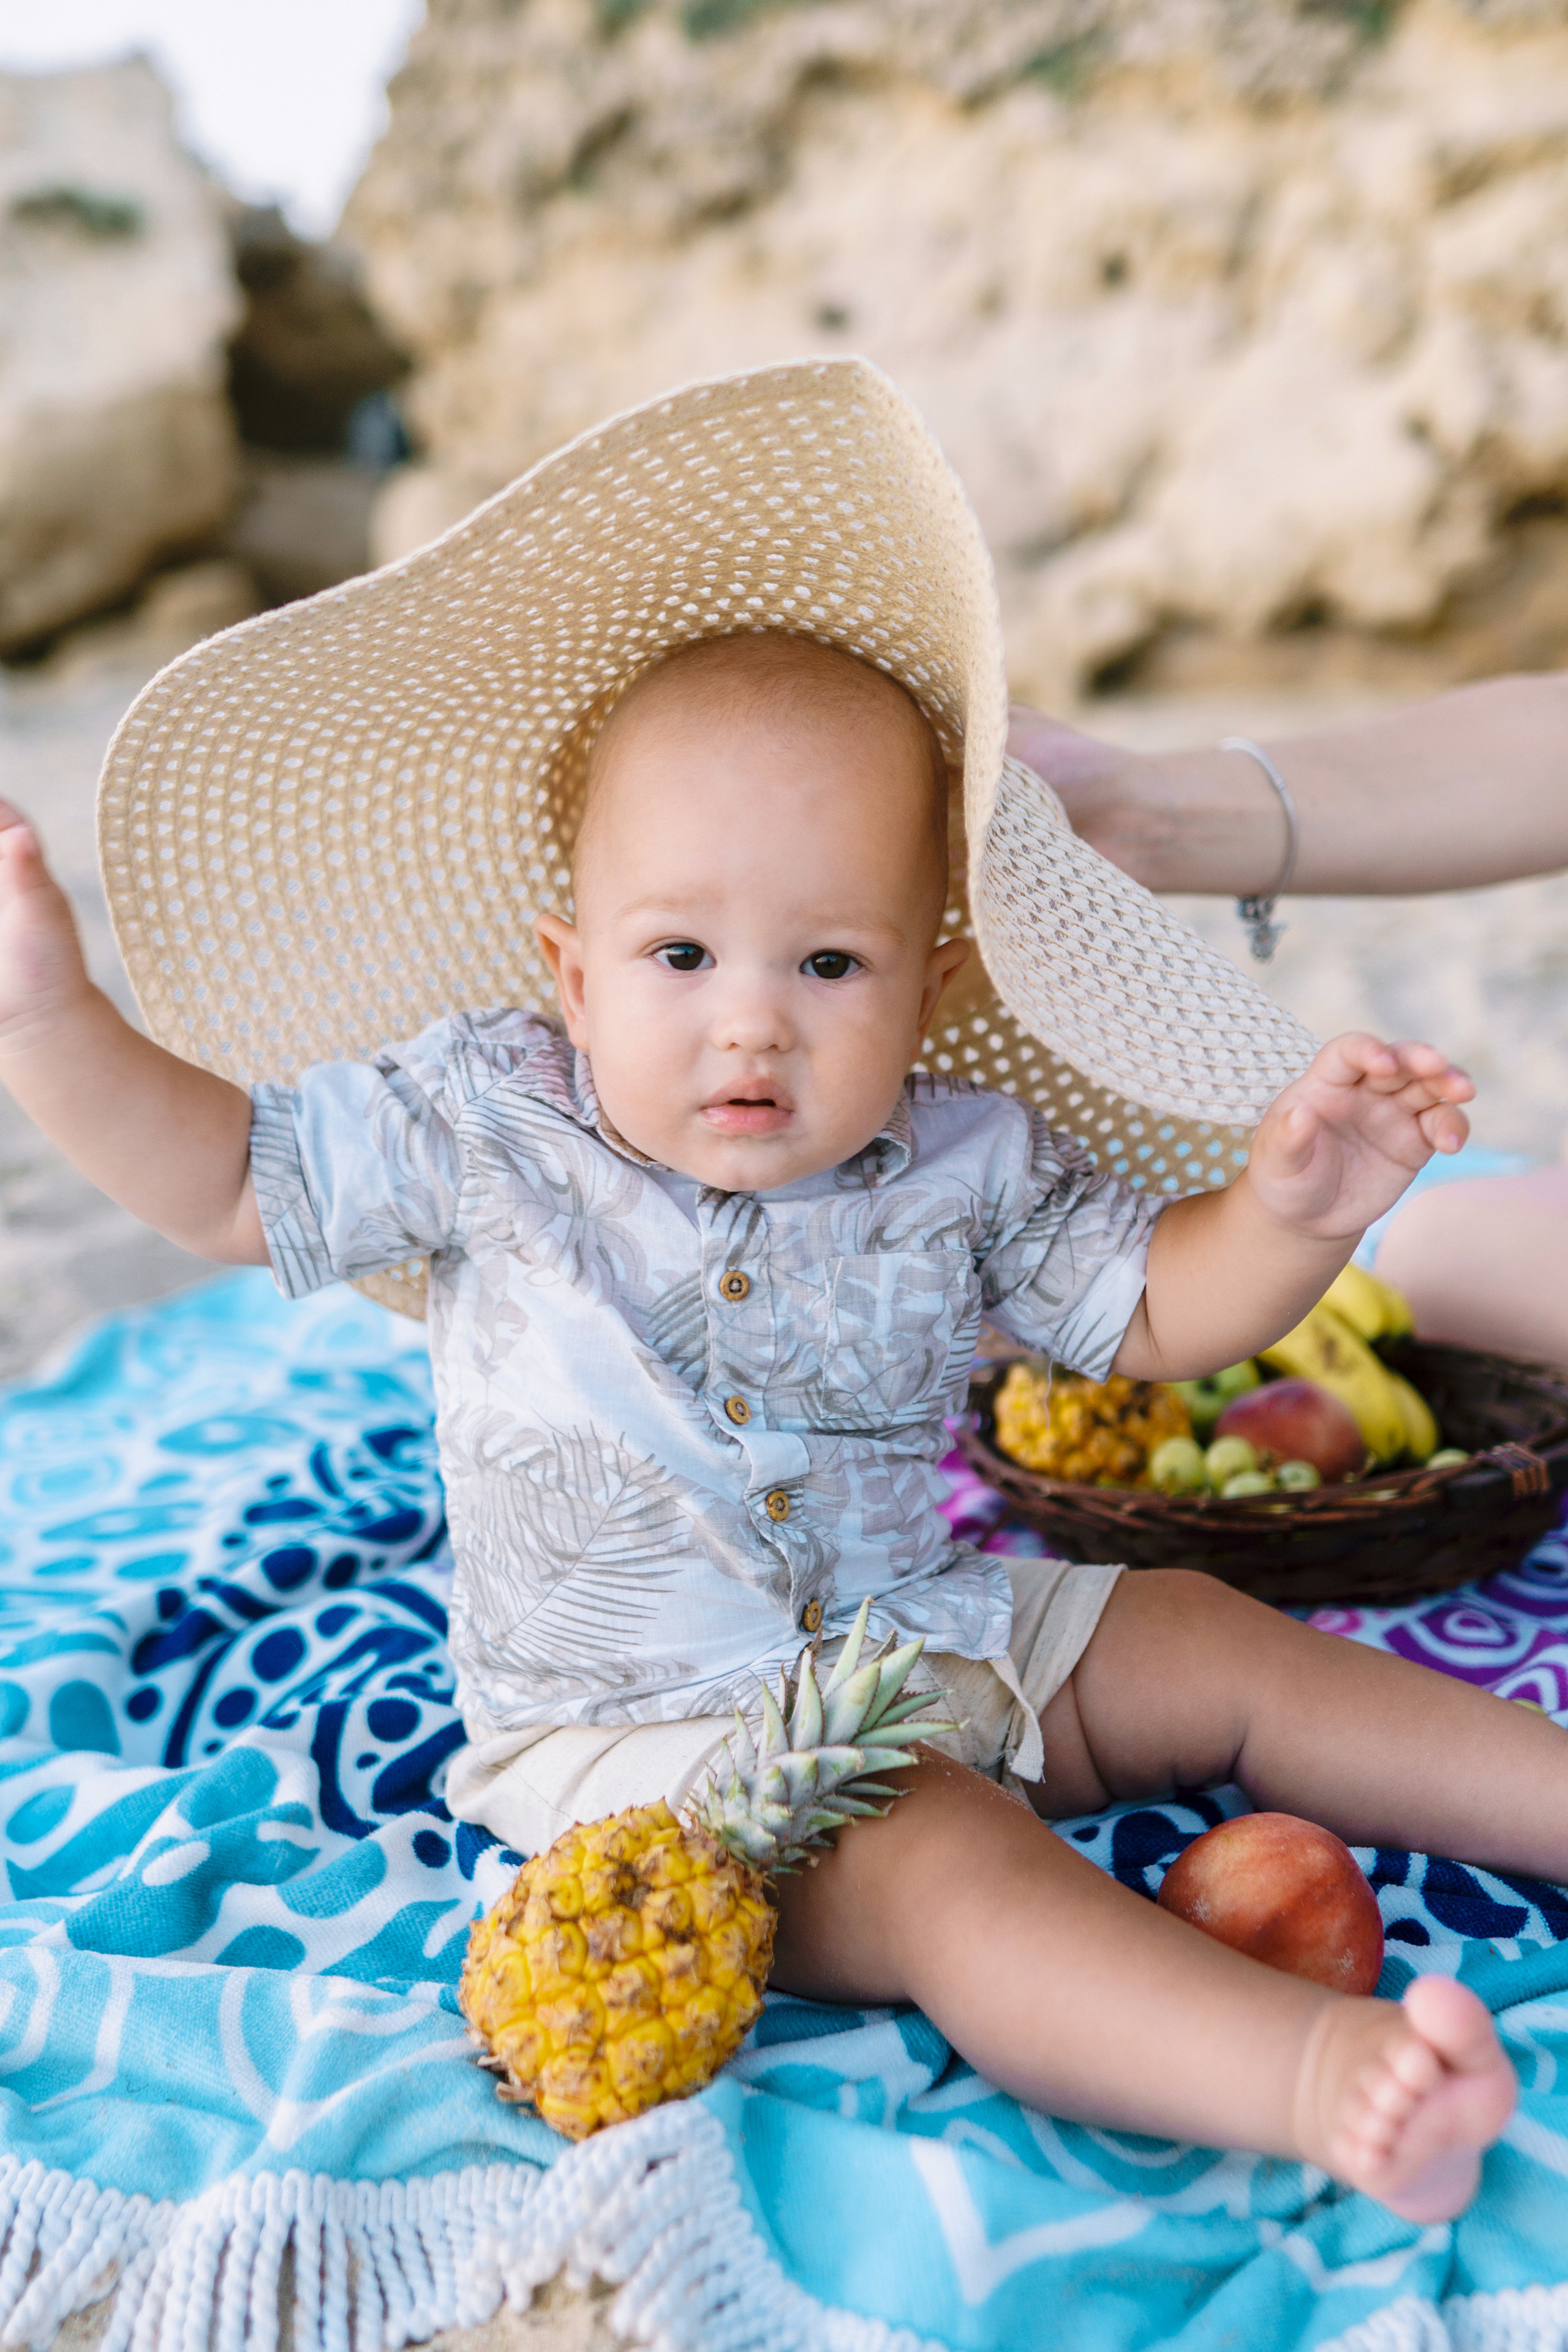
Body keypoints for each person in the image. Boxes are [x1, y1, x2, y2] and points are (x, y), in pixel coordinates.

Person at [2, 357, 1547, 2223]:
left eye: (828, 962)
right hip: (653, 1750)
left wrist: (1292, 1209)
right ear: (572, 973)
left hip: (931, 1630)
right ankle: (1315, 2078)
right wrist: (49, 1017)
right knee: (944, 1859)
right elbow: (218, 1180)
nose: (752, 1019)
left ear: (932, 985)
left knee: (1211, 1640)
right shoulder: (481, 1118)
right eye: (680, 954)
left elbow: (1153, 1312)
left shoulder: (961, 1153)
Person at [1008, 691, 1568, 1366]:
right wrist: (1137, 806)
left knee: (1422, 1247)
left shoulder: (982, 1167)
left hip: (1432, 1218)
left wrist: (1287, 1228)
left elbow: (1148, 1314)